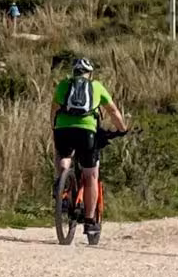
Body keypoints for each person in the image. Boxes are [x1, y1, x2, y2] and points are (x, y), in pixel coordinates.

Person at [52, 59, 129, 233]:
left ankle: (62, 183)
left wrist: (54, 127)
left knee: (64, 155)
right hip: (87, 131)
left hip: (63, 129)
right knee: (90, 174)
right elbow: (113, 111)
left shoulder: (63, 85)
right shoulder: (96, 86)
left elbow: (54, 109)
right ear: (90, 74)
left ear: (74, 72)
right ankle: (89, 221)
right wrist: (122, 129)